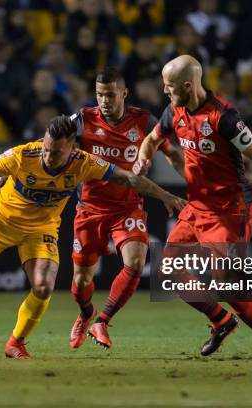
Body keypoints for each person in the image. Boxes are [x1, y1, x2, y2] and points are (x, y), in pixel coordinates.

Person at [0, 115, 186, 359]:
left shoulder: (84, 162)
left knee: (42, 287)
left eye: (57, 151)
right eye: (48, 147)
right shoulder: (23, 155)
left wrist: (165, 195)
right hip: (0, 221)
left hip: (41, 230)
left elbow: (129, 178)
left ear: (72, 147)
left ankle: (16, 343)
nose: (50, 156)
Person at [133, 55, 252, 361]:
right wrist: (143, 157)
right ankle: (221, 321)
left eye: (169, 85)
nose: (164, 90)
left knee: (226, 284)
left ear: (188, 85)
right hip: (197, 207)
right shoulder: (173, 111)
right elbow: (150, 140)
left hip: (230, 210)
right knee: (168, 270)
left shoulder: (224, 117)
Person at [68, 67, 184, 349]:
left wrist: (195, 180)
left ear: (124, 93)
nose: (104, 101)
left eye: (109, 95)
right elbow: (51, 141)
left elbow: (170, 153)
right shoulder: (83, 119)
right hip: (90, 209)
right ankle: (86, 312)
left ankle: (102, 321)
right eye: (99, 95)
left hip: (127, 207)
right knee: (81, 280)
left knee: (135, 261)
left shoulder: (143, 121)